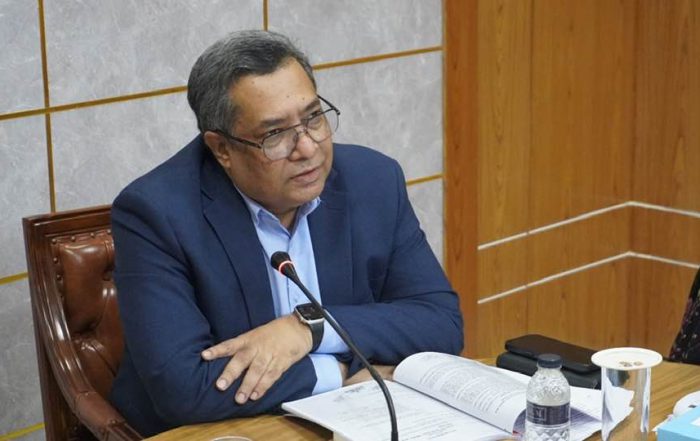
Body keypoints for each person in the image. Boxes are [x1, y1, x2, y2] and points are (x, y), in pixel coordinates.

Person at [109, 29, 463, 436]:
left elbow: (441, 323)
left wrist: (309, 329)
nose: (308, 148)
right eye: (275, 134)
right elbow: (182, 388)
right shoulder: (156, 214)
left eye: (313, 117)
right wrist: (337, 370)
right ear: (222, 149)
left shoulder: (373, 180)